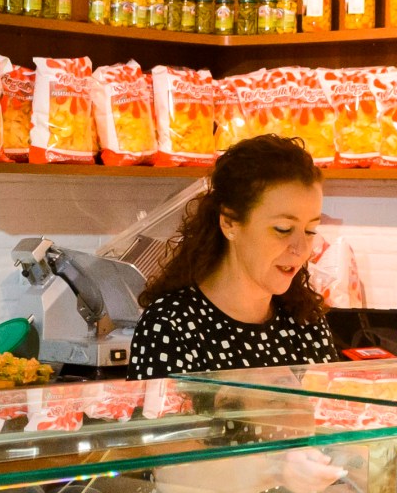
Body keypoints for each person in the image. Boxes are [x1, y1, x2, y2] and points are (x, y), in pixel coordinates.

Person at [128, 135, 337, 376]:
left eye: (310, 230)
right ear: (229, 224)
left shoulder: (306, 322)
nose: (300, 248)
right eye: (283, 229)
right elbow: (163, 414)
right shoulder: (171, 325)